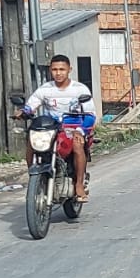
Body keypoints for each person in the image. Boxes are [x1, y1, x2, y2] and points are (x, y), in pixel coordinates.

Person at [21, 54, 96, 201]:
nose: (58, 73)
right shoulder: (45, 89)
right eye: (55, 69)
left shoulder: (80, 89)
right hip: (52, 127)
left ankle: (79, 185)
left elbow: (90, 115)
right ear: (50, 70)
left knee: (77, 145)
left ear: (69, 70)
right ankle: (33, 177)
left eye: (62, 69)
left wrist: (80, 131)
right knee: (31, 142)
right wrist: (24, 112)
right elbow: (32, 104)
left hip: (74, 126)